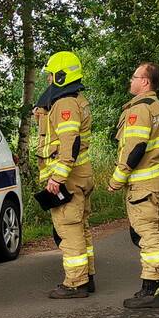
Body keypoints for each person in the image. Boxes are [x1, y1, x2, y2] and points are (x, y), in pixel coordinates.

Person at [107, 62, 159, 308]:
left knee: (147, 237)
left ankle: (151, 288)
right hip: (158, 181)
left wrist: (117, 178)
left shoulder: (139, 110)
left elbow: (135, 147)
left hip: (142, 185)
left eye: (135, 76)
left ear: (145, 82)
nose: (131, 80)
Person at [36, 51, 95, 299]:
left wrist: (57, 177)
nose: (48, 79)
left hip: (68, 177)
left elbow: (69, 143)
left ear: (59, 76)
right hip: (81, 174)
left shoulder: (64, 104)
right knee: (81, 228)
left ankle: (75, 282)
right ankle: (87, 275)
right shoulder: (76, 99)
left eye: (51, 75)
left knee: (69, 229)